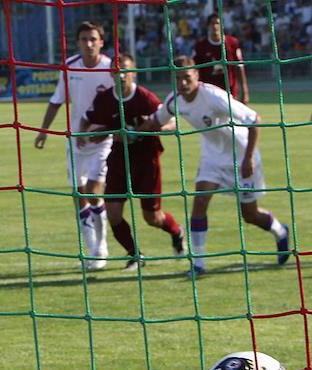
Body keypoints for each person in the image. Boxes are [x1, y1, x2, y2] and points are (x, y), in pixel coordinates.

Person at [139, 56, 291, 277]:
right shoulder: (175, 100)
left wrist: (248, 158)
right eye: (178, 78)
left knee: (250, 215)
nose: (182, 83)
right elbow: (155, 121)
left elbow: (255, 119)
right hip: (212, 160)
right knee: (199, 202)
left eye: (187, 77)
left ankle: (280, 231)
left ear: (197, 75)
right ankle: (198, 264)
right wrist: (131, 130)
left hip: (242, 158)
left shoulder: (213, 96)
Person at [79, 52, 186, 270]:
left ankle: (177, 231)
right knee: (113, 212)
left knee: (152, 217)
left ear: (133, 73)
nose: (121, 75)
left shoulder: (145, 98)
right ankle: (134, 254)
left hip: (147, 160)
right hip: (119, 159)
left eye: (125, 70)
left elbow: (172, 123)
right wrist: (90, 135)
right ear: (111, 73)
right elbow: (88, 121)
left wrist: (152, 128)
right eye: (116, 70)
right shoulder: (105, 99)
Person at [33, 20, 114, 270]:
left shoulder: (111, 68)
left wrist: (107, 129)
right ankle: (91, 250)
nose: (88, 44)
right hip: (76, 139)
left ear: (101, 42)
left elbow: (119, 103)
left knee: (93, 191)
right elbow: (57, 100)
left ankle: (101, 248)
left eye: (93, 39)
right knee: (78, 195)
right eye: (84, 39)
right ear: (77, 43)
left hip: (102, 140)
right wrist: (44, 130)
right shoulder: (69, 66)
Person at [194, 13, 248, 103]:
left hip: (229, 90)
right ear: (208, 26)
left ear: (222, 26)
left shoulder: (232, 43)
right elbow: (195, 69)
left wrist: (245, 91)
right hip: (209, 91)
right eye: (212, 23)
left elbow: (239, 67)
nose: (215, 26)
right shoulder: (200, 45)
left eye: (217, 23)